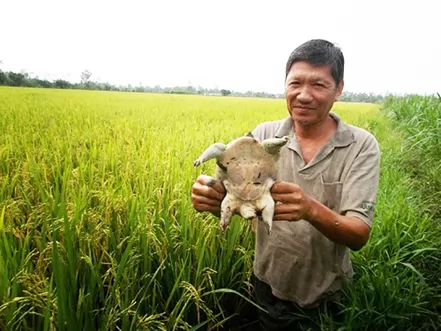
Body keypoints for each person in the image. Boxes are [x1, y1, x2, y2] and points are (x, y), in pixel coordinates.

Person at [191, 39, 381, 330]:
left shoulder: (360, 146)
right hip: (267, 283)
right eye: (296, 83)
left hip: (327, 293)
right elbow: (243, 197)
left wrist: (310, 209)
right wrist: (212, 198)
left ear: (339, 89)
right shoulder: (263, 134)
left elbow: (358, 235)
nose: (304, 95)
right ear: (285, 85)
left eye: (318, 85)